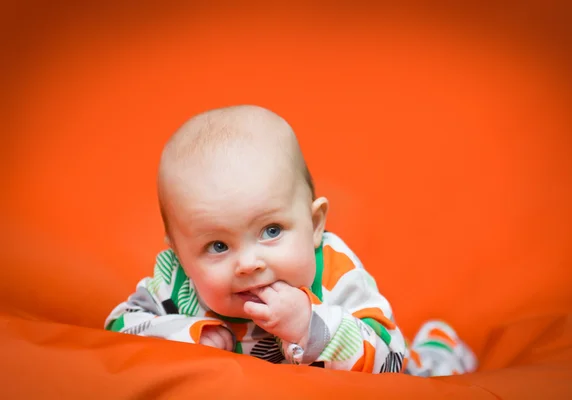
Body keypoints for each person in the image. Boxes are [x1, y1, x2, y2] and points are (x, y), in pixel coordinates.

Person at [105, 105, 477, 375]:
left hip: (406, 373)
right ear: (180, 255)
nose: (249, 263)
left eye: (271, 231)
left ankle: (438, 347)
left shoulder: (333, 272)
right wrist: (189, 336)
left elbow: (389, 360)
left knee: (428, 372)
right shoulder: (176, 285)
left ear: (314, 224)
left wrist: (308, 326)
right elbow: (119, 330)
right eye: (218, 246)